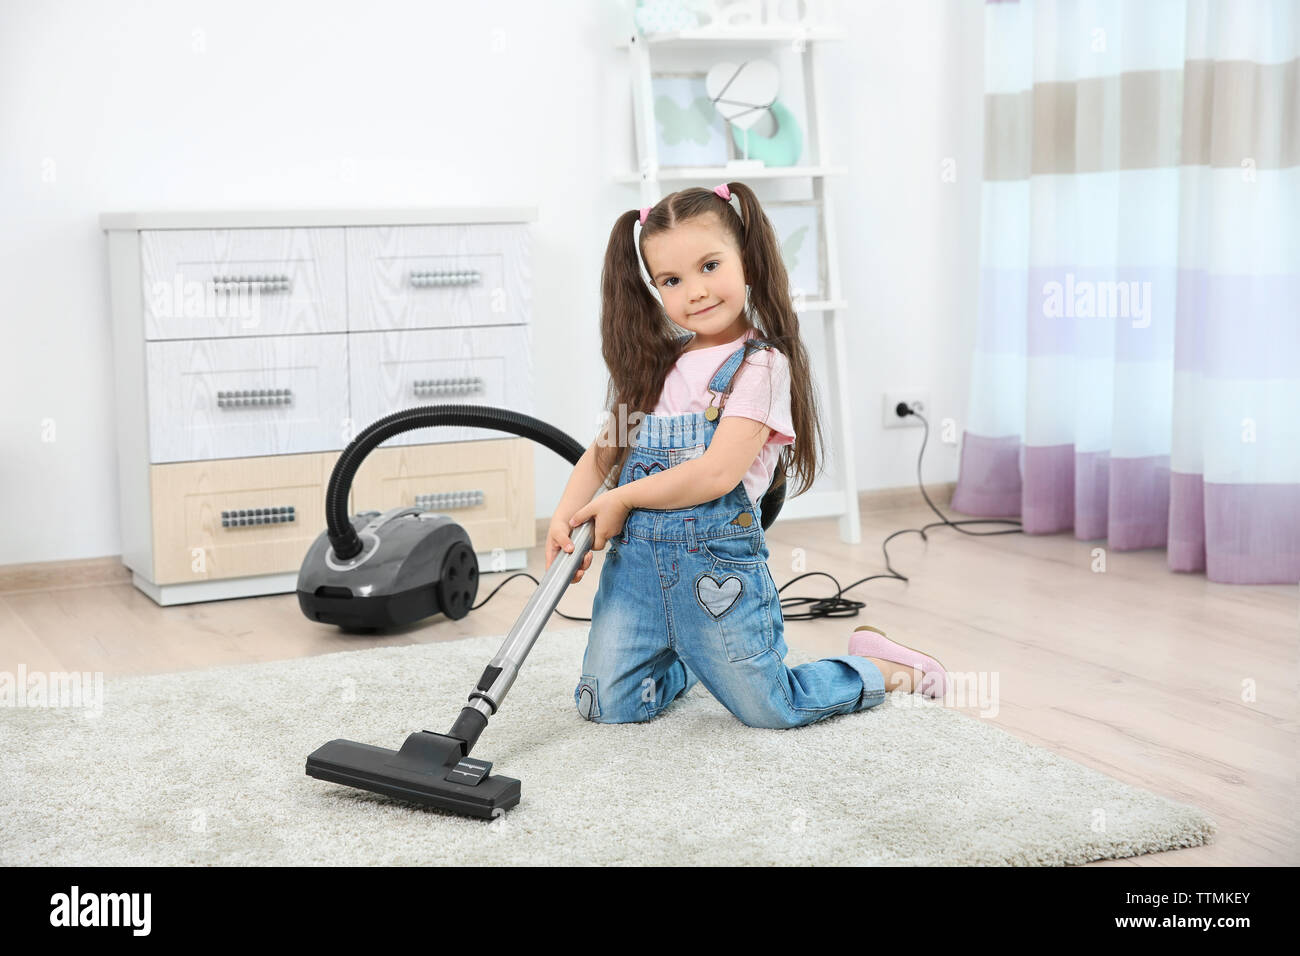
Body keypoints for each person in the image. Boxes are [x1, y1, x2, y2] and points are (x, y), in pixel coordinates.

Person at [545, 182, 949, 729]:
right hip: (636, 578)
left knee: (774, 708)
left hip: (718, 570)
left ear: (747, 262)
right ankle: (694, 658)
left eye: (710, 265)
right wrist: (565, 519)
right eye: (672, 279)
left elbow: (717, 473)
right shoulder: (651, 368)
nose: (696, 291)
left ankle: (882, 667)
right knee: (608, 705)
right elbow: (602, 453)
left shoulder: (759, 366)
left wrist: (620, 499)